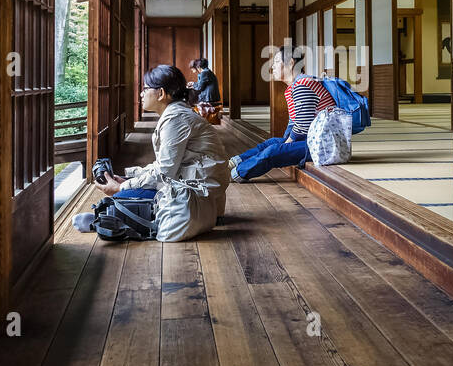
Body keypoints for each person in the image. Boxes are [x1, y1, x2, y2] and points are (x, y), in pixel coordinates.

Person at [93, 64, 229, 242]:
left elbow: (165, 172)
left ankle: (101, 219)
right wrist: (128, 178)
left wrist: (122, 187)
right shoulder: (175, 114)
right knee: (130, 192)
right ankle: (105, 217)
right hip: (195, 187)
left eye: (146, 88)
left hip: (197, 193)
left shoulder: (176, 118)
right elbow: (165, 166)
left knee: (122, 196)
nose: (142, 94)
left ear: (161, 93)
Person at [229, 46, 335, 182]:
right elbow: (294, 123)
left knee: (272, 151)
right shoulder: (293, 87)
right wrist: (285, 141)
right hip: (311, 140)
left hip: (323, 145)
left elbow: (303, 126)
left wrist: (286, 144)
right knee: (271, 143)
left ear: (290, 63)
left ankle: (235, 173)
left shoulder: (303, 85)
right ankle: (233, 163)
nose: (272, 66)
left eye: (277, 61)